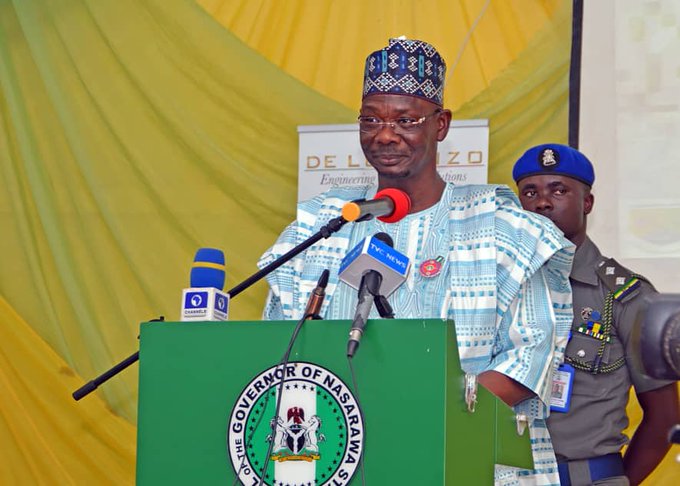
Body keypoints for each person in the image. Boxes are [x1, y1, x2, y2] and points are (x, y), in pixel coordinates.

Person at [260, 38, 575, 484]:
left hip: (468, 462)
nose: (385, 135)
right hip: (341, 459)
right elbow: (279, 350)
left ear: (441, 125)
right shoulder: (321, 225)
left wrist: (415, 418)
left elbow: (529, 359)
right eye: (371, 119)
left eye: (405, 120)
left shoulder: (505, 229)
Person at [513, 143, 680, 486]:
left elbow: (664, 416)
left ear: (587, 202)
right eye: (530, 192)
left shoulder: (625, 296)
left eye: (559, 190)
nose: (542, 202)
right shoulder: (501, 288)